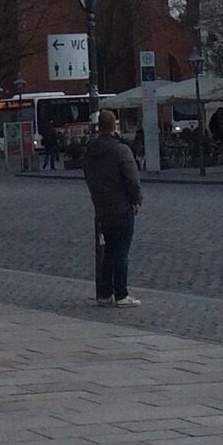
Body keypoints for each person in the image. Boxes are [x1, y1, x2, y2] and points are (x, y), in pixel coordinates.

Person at [80, 109, 143, 308]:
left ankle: (105, 293)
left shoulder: (90, 152)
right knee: (121, 251)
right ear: (114, 125)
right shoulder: (120, 150)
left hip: (102, 208)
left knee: (108, 251)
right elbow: (132, 179)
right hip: (122, 207)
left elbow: (89, 177)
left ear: (99, 126)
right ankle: (121, 294)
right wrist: (136, 200)